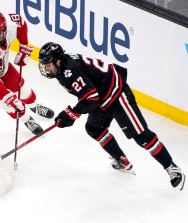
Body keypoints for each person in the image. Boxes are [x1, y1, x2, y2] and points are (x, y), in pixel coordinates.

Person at [38, 42, 185, 190]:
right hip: (101, 95)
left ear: (58, 61)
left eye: (48, 64)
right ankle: (122, 161)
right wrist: (71, 113)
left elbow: (90, 98)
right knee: (94, 128)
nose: (46, 68)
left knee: (141, 136)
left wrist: (72, 113)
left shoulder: (69, 71)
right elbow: (89, 94)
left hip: (116, 92)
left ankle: (172, 168)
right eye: (44, 64)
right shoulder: (62, 68)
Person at [0, 12, 54, 136]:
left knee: (22, 89)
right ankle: (27, 120)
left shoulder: (11, 23)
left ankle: (35, 106)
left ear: (5, 29)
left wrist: (23, 46)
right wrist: (9, 99)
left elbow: (21, 24)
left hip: (0, 64)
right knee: (8, 104)